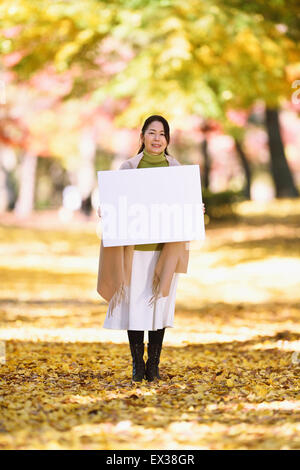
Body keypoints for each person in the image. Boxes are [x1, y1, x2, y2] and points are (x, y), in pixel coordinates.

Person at [97, 115, 205, 383]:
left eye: (162, 134)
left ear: (167, 139)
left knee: (159, 307)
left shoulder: (176, 169)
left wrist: (194, 210)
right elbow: (118, 202)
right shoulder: (128, 168)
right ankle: (137, 364)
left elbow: (182, 205)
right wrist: (108, 211)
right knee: (134, 306)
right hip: (134, 252)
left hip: (163, 250)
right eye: (152, 133)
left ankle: (154, 364)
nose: (157, 139)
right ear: (142, 136)